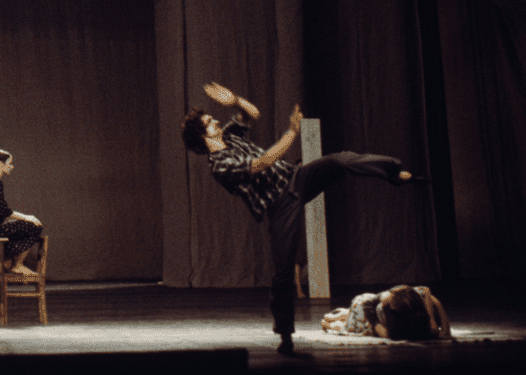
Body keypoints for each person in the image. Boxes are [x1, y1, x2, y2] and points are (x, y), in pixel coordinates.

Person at [182, 82, 426, 355]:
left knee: (341, 161)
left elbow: (253, 114)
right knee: (283, 271)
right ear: (203, 136)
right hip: (280, 206)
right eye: (210, 121)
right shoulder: (220, 166)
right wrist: (291, 133)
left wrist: (235, 100)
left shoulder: (230, 136)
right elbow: (261, 163)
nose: (216, 120)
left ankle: (393, 173)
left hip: (296, 179)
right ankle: (285, 334)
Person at [0, 149, 42, 274]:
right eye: (9, 163)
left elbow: (0, 212)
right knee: (34, 226)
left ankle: (8, 260)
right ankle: (16, 264)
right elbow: (5, 212)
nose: (12, 166)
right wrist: (28, 217)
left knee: (22, 228)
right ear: (0, 164)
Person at [322, 284, 451, 340]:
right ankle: (346, 313)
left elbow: (375, 326)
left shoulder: (393, 329)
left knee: (329, 323)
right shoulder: (407, 298)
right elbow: (425, 290)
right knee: (362, 307)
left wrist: (375, 326)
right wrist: (432, 319)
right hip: (364, 303)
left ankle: (345, 315)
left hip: (369, 315)